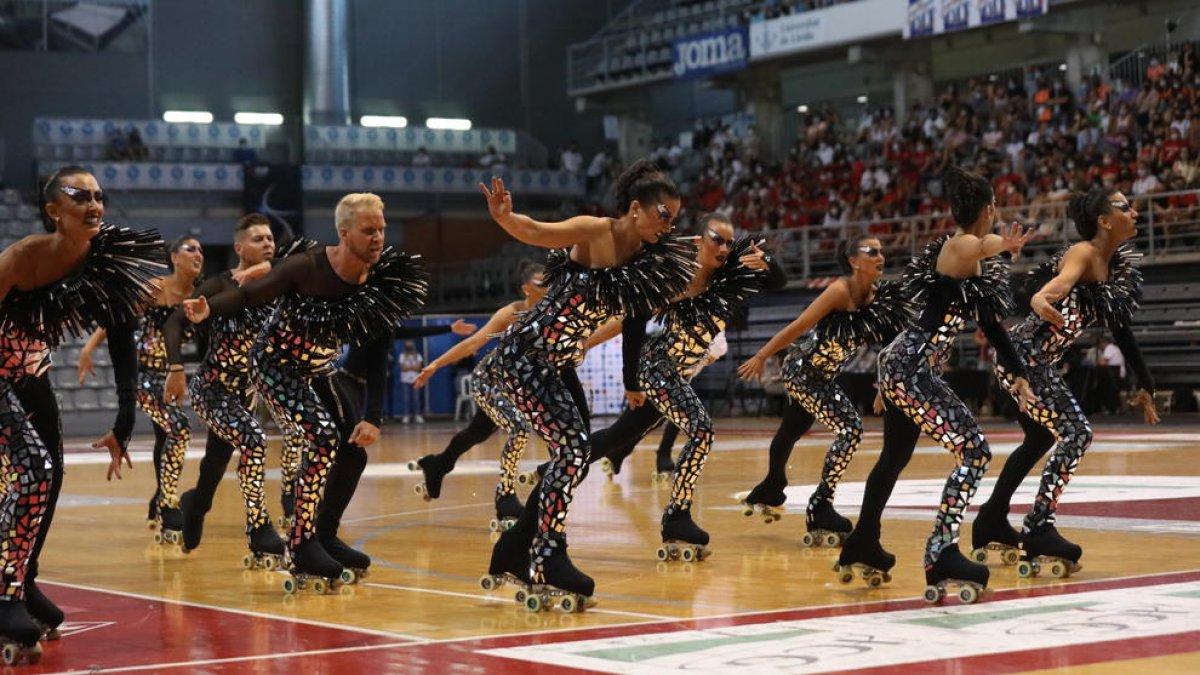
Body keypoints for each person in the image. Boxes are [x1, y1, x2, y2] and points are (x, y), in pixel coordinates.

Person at [478, 161, 695, 608]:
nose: (669, 225)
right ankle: (547, 553)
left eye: (674, 218)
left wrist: (728, 265)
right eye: (664, 215)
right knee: (575, 449)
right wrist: (504, 218)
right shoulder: (596, 231)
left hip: (559, 365)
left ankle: (513, 549)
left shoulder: (646, 259)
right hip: (525, 356)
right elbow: (538, 232)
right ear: (636, 209)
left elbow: (645, 313)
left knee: (574, 455)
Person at [183, 193, 427, 589]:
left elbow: (380, 347)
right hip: (276, 365)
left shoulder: (380, 280)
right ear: (344, 233)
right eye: (369, 231)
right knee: (323, 438)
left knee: (353, 453)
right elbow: (249, 295)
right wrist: (210, 309)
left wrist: (373, 415)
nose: (378, 237)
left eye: (381, 229)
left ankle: (326, 535)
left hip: (319, 370)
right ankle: (301, 543)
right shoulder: (307, 267)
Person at [836, 166, 1035, 602]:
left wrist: (1018, 371)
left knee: (893, 458)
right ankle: (940, 552)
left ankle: (862, 543)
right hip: (911, 368)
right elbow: (980, 242)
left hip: (908, 366)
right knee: (974, 451)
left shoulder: (973, 258)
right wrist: (1007, 243)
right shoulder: (962, 244)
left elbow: (992, 326)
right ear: (989, 209)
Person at [0, 165, 163, 651]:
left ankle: (21, 582)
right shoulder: (21, 258)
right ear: (54, 212)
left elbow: (121, 340)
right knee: (33, 468)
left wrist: (124, 420)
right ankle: (4, 591)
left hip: (33, 373)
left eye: (98, 195)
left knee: (49, 481)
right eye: (80, 196)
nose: (94, 204)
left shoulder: (106, 260)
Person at [971, 187, 1158, 574]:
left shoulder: (1114, 265)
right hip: (1023, 359)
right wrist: (1042, 298)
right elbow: (1060, 284)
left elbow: (1122, 332)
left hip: (1040, 362)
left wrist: (1146, 383)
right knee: (1077, 433)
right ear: (1104, 221)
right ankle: (1039, 527)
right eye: (1125, 207)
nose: (1135, 212)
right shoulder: (1084, 252)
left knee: (1040, 437)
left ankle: (990, 518)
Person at [737, 237, 910, 542]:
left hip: (825, 376)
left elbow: (890, 345)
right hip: (802, 370)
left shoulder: (879, 297)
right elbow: (799, 326)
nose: (880, 256)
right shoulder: (839, 290)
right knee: (850, 429)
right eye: (872, 251)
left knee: (792, 428)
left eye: (882, 250)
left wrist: (884, 384)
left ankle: (771, 484)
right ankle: (820, 505)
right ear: (853, 261)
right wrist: (762, 356)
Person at [160, 214, 310, 561]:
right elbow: (175, 321)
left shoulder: (281, 284)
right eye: (258, 239)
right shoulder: (218, 284)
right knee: (254, 439)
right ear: (239, 247)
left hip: (247, 393)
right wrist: (176, 367)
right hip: (212, 389)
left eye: (270, 238)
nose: (268, 243)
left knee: (214, 463)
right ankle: (259, 529)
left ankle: (195, 505)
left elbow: (298, 262)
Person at [409, 262, 588, 532]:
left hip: (521, 384)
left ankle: (437, 464)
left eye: (550, 282)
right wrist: (436, 364)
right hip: (491, 381)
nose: (549, 288)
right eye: (541, 283)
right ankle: (505, 496)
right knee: (518, 429)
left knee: (476, 433)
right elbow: (475, 342)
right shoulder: (512, 313)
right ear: (525, 288)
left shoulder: (556, 314)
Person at [80, 236, 204, 543]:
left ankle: (159, 500)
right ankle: (168, 504)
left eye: (201, 249)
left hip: (169, 375)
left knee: (166, 434)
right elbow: (117, 318)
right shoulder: (156, 287)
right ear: (174, 257)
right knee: (178, 426)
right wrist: (88, 348)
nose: (198, 253)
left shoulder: (199, 295)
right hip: (142, 374)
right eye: (190, 248)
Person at [397, 341, 425, 423]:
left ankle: (418, 415)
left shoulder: (418, 356)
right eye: (407, 346)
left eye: (411, 346)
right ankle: (406, 416)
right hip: (405, 380)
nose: (409, 348)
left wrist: (409, 367)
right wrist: (413, 367)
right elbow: (403, 368)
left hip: (415, 379)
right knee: (406, 399)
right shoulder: (402, 356)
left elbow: (418, 368)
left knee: (416, 399)